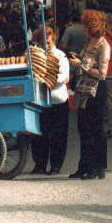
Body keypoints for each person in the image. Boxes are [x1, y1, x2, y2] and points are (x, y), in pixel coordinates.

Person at [69, 10, 110, 180]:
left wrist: (81, 63)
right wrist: (78, 57)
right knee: (83, 128)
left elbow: (102, 73)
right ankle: (84, 166)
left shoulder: (103, 44)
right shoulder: (89, 42)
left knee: (96, 129)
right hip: (84, 90)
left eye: (85, 24)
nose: (83, 28)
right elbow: (86, 62)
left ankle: (97, 167)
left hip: (96, 90)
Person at [31, 25, 70, 175]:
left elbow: (64, 77)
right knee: (39, 134)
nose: (46, 40)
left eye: (48, 36)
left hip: (57, 100)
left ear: (53, 37)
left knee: (58, 136)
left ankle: (56, 165)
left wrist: (46, 79)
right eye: (43, 38)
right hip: (40, 100)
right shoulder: (35, 55)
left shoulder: (61, 56)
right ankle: (39, 164)